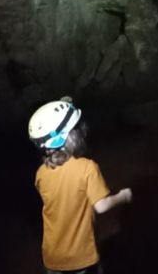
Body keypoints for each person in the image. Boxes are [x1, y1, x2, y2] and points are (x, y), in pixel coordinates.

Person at [29, 97, 132, 274]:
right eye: (77, 128)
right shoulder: (87, 168)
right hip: (81, 257)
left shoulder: (41, 173)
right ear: (73, 136)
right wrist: (124, 195)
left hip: (53, 257)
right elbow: (101, 206)